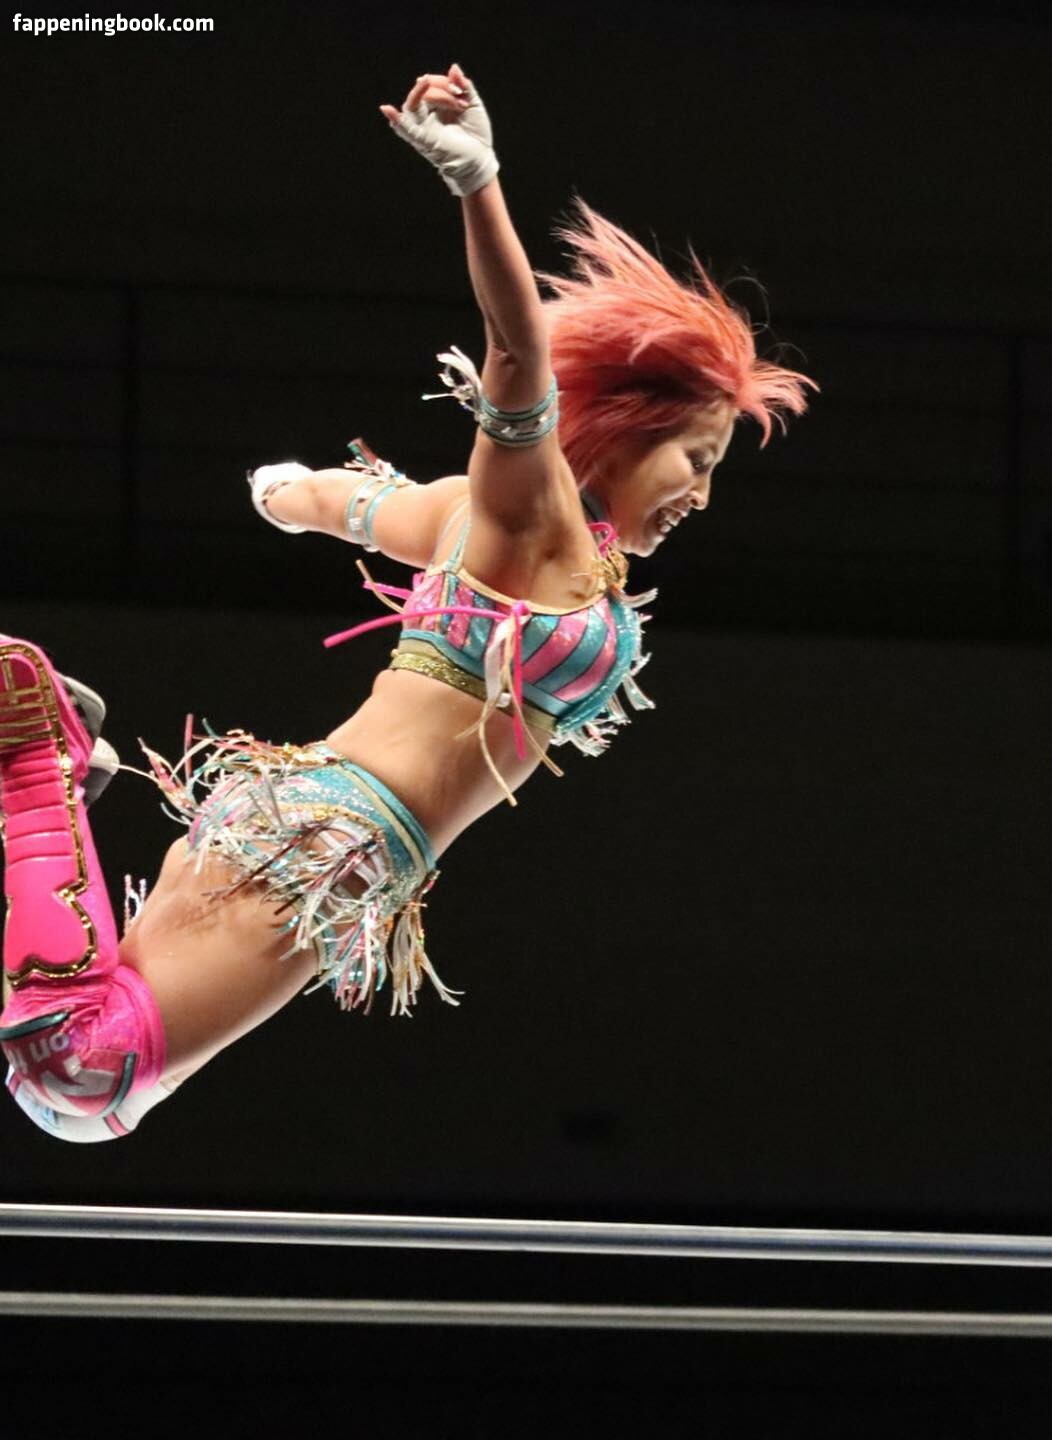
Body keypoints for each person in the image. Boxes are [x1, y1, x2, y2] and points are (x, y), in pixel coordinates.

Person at [0, 64, 814, 1142]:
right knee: (80, 1076)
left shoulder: (472, 519)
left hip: (327, 832)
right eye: (696, 460)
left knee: (90, 1095)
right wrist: (478, 181)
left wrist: (282, 493)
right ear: (627, 433)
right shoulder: (533, 517)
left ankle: (57, 781)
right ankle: (35, 762)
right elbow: (516, 355)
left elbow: (354, 504)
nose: (701, 496)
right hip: (327, 836)